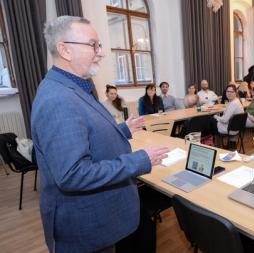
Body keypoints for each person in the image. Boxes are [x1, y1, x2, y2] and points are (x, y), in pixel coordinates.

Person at [31, 16, 170, 253]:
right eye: (93, 45)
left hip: (101, 218)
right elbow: (73, 174)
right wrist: (140, 160)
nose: (101, 52)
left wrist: (123, 130)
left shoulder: (74, 87)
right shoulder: (59, 100)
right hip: (85, 228)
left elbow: (85, 133)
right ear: (65, 50)